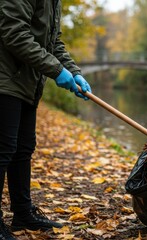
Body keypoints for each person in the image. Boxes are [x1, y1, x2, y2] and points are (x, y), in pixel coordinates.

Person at [0, 0, 91, 239]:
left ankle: (22, 214)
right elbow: (13, 32)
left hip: (27, 81)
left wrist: (74, 71)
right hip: (5, 78)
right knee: (3, 149)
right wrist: (55, 69)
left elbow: (53, 44)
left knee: (23, 148)